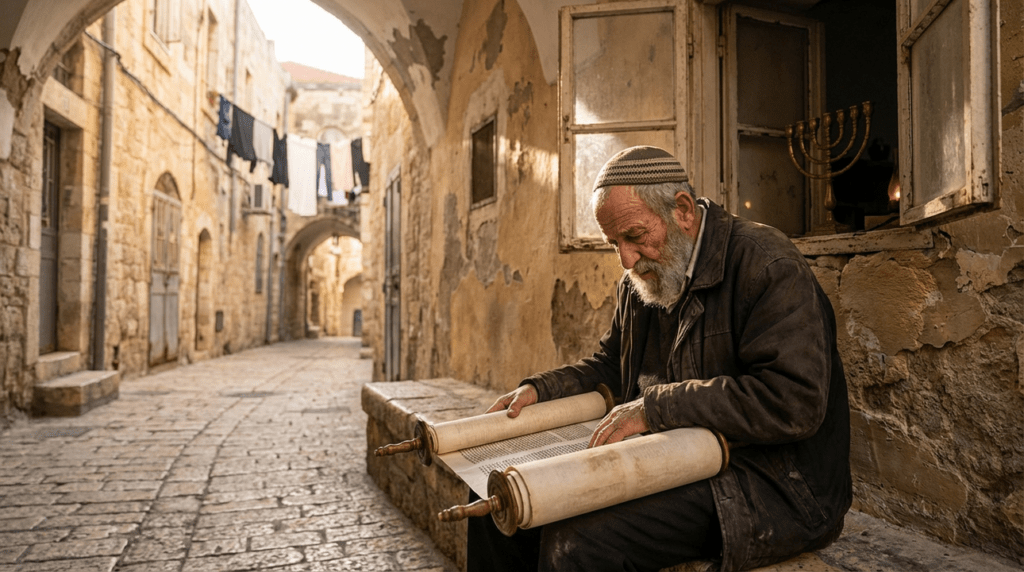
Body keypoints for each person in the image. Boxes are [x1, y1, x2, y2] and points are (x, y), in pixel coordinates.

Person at [468, 146, 851, 572]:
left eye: (634, 235)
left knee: (576, 542)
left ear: (683, 210)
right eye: (614, 243)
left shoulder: (766, 263)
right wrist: (541, 389)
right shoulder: (642, 280)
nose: (626, 259)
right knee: (500, 496)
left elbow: (793, 401)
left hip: (772, 484)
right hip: (669, 458)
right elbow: (613, 367)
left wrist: (656, 407)